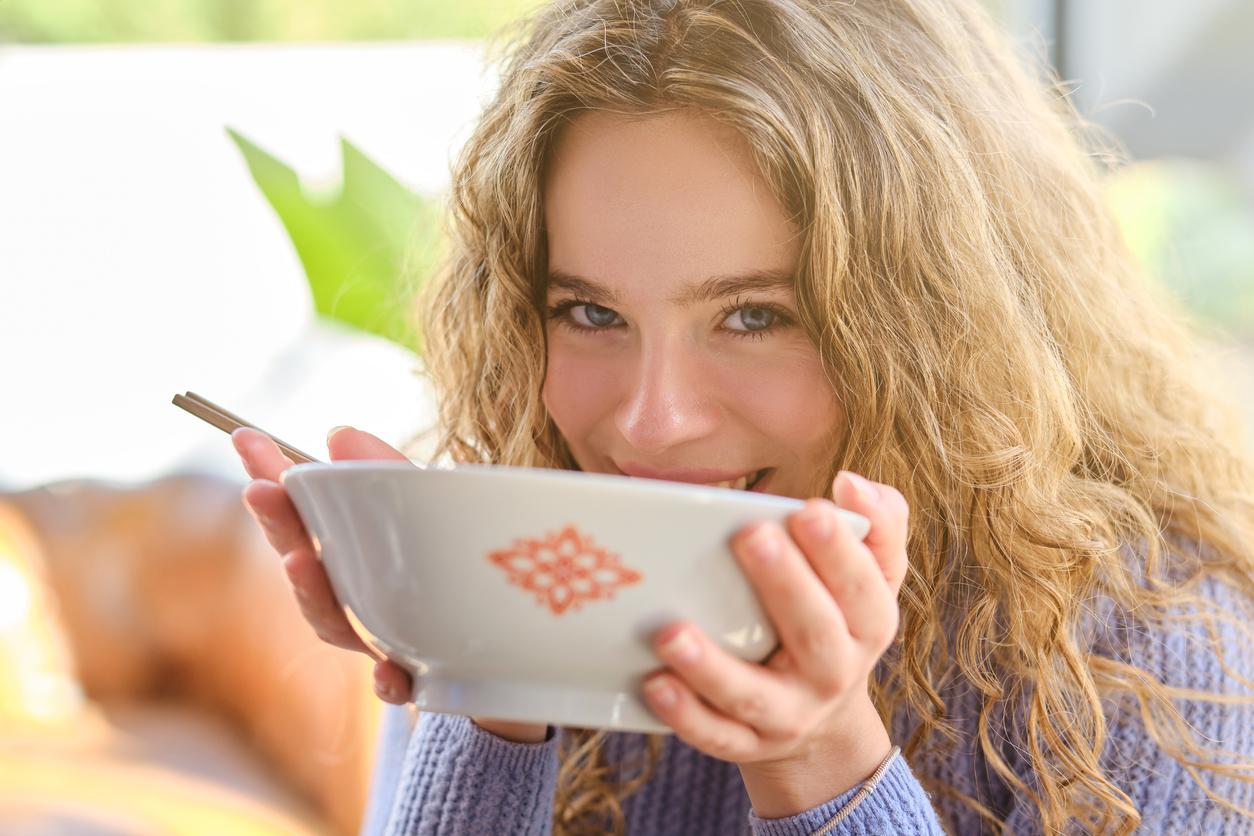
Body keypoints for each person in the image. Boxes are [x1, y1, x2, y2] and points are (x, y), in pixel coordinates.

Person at [232, 0, 1254, 832]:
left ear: (941, 330)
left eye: (756, 315)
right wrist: (484, 677)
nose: (652, 421)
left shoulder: (1158, 658)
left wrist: (821, 760)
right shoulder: (538, 563)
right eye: (589, 311)